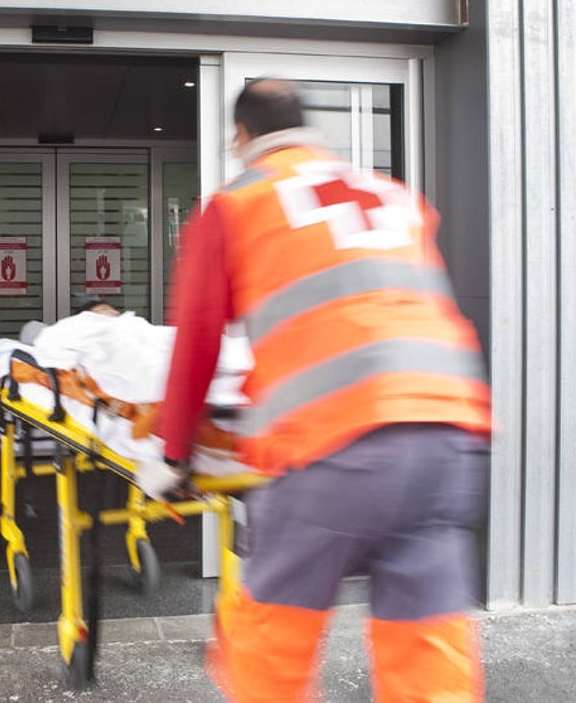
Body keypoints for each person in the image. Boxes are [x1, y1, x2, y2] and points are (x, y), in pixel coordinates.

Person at [135, 79, 493, 701]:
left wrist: (172, 454)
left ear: (241, 136)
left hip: (334, 451)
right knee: (429, 652)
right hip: (448, 440)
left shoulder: (236, 202)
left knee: (269, 650)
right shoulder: (393, 195)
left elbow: (196, 340)